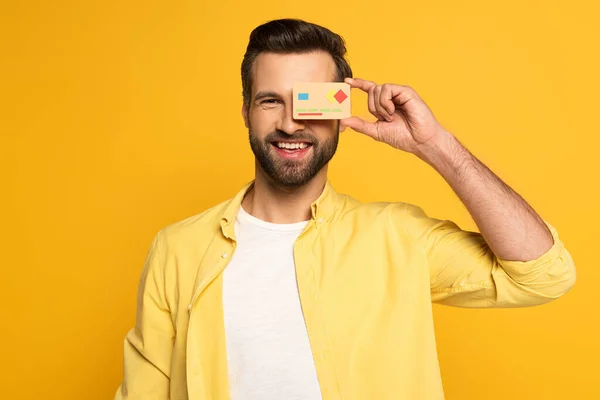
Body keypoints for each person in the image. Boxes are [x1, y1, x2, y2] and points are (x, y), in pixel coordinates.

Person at [114, 18, 576, 400]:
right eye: (271, 100)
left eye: (310, 102)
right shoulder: (178, 249)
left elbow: (543, 274)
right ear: (246, 112)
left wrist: (435, 145)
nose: (290, 122)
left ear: (339, 111)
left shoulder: (397, 237)